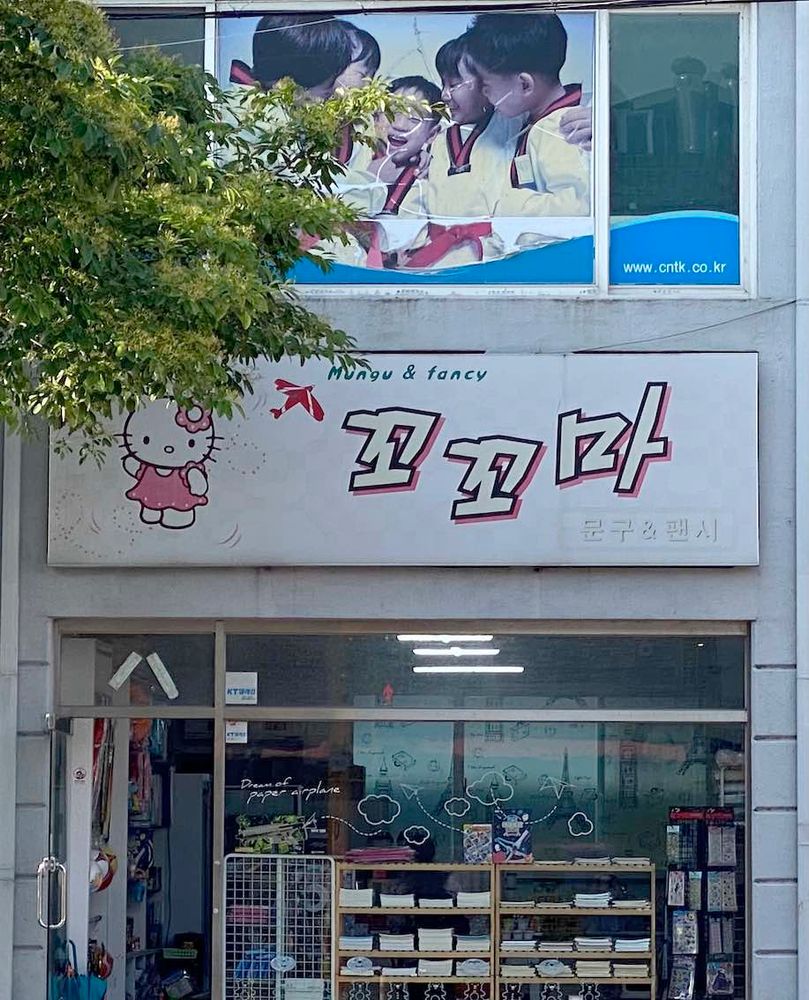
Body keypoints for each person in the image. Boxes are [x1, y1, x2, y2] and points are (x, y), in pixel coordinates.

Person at [464, 13, 590, 223]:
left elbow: (577, 208)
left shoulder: (560, 129)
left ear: (525, 85)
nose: (483, 94)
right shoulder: (534, 120)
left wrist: (504, 204)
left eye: (486, 86)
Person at [229, 13, 353, 100]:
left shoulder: (234, 105)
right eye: (328, 88)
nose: (332, 93)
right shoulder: (269, 122)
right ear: (288, 85)